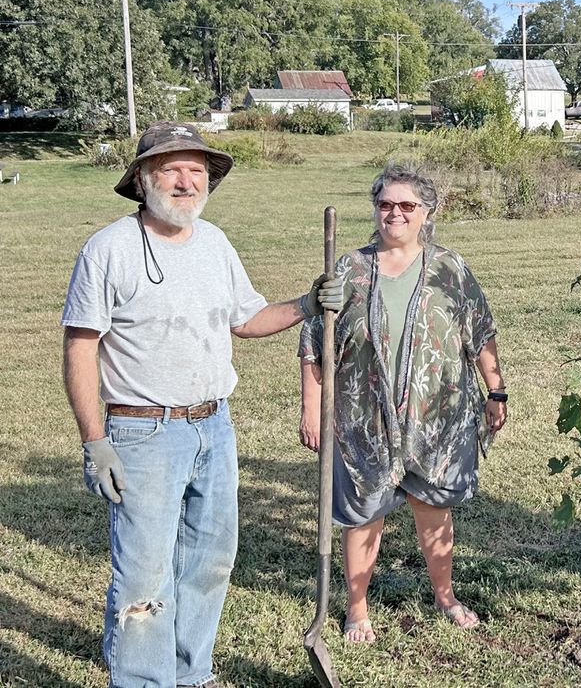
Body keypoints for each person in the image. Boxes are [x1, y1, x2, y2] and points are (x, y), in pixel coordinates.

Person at [61, 122, 344, 688]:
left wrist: (306, 303)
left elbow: (246, 320)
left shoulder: (214, 243)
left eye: (197, 171)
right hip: (142, 433)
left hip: (214, 427)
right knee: (144, 574)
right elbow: (79, 347)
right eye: (172, 170)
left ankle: (193, 674)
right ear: (143, 180)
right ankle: (144, 680)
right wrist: (95, 442)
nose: (186, 182)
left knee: (208, 563)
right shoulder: (109, 249)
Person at [298, 163, 507, 643]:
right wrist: (311, 408)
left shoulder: (450, 269)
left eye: (407, 205)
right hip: (362, 418)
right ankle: (356, 609)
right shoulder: (347, 269)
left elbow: (481, 334)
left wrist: (495, 389)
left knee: (433, 507)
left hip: (438, 419)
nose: (395, 213)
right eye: (385, 204)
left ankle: (446, 595)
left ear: (426, 212)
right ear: (375, 210)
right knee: (363, 512)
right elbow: (315, 346)